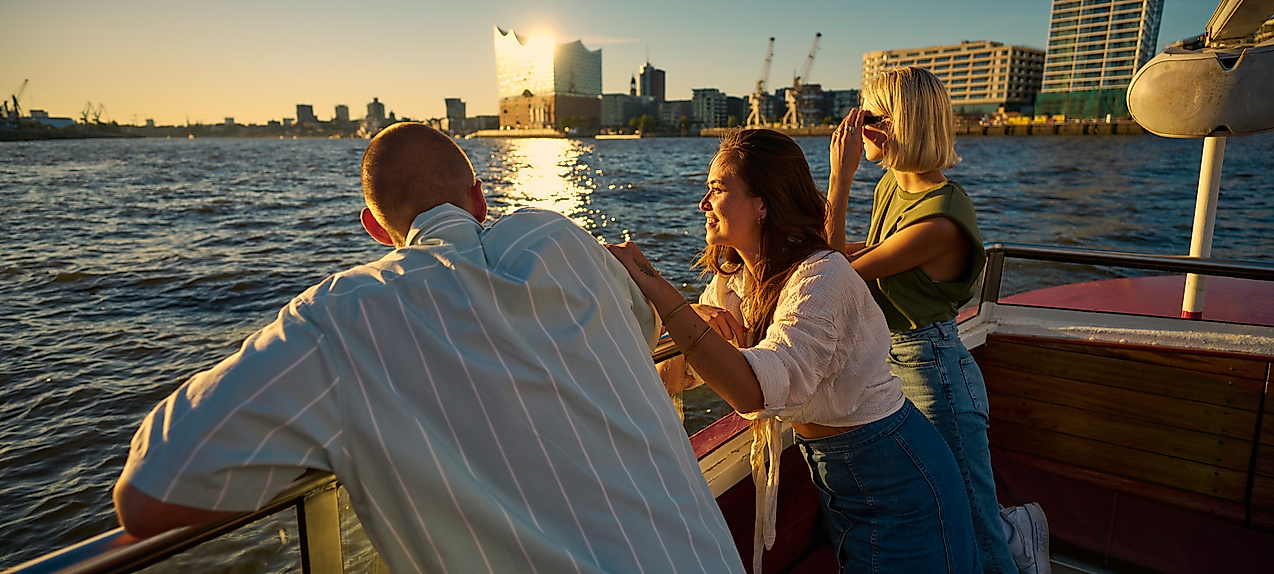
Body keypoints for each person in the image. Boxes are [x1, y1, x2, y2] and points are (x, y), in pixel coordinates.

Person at [112, 122, 746, 574]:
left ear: (375, 228)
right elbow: (639, 334)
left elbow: (149, 493)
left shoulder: (343, 316)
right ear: (479, 199)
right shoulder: (564, 241)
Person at [606, 128, 977, 574]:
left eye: (717, 189)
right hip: (841, 479)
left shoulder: (822, 278)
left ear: (763, 203)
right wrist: (683, 320)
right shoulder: (736, 283)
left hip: (898, 478)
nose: (703, 203)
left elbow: (754, 391)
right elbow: (676, 378)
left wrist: (658, 288)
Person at [825, 66, 1050, 574]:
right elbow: (850, 254)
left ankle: (1015, 541)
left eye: (868, 119)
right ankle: (1016, 529)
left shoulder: (940, 218)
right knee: (939, 506)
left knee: (974, 523)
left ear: (896, 125)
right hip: (890, 362)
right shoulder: (892, 187)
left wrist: (839, 182)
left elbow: (836, 274)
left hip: (934, 375)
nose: (857, 129)